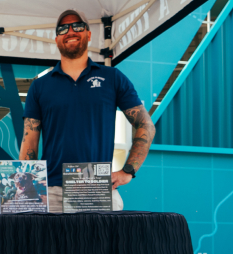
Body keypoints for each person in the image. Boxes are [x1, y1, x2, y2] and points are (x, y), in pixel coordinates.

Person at [18, 9, 155, 212]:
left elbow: (145, 124)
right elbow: (29, 142)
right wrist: (29, 190)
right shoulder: (40, 86)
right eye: (63, 28)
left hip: (97, 188)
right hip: (52, 192)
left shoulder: (112, 78)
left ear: (89, 35)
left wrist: (128, 170)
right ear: (56, 39)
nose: (71, 31)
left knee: (103, 245)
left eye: (78, 26)